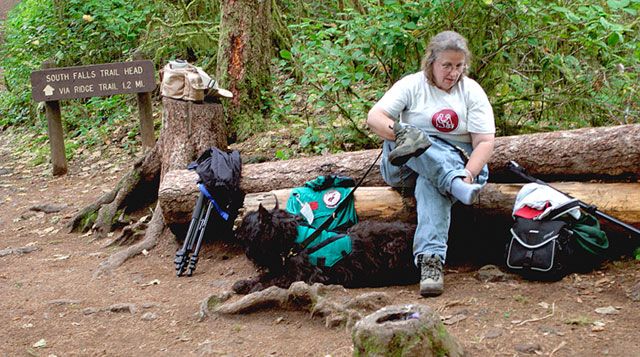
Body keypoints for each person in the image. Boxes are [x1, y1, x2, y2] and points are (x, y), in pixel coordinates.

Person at [366, 30, 495, 297]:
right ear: (431, 62)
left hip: (461, 165)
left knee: (430, 182)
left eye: (459, 66)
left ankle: (431, 261)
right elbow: (375, 117)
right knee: (417, 142)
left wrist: (469, 174)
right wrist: (403, 134)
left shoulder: (471, 91)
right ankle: (452, 183)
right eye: (447, 65)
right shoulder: (411, 85)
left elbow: (483, 142)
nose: (453, 72)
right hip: (404, 168)